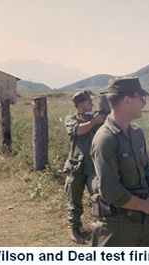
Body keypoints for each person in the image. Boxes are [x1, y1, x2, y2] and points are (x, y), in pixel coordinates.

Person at [90, 76, 149, 247]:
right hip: (118, 227)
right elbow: (109, 190)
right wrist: (145, 206)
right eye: (141, 98)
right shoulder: (105, 139)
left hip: (145, 223)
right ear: (126, 100)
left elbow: (148, 175)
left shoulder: (137, 133)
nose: (144, 103)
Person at [63, 90, 108, 244]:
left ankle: (101, 228)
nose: (92, 104)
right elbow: (78, 131)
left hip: (93, 167)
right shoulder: (71, 119)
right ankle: (74, 229)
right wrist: (95, 120)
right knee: (74, 199)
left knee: (98, 195)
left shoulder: (96, 118)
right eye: (89, 102)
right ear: (80, 104)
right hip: (76, 166)